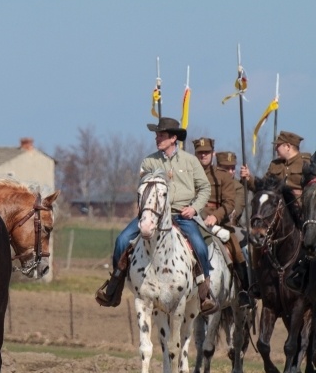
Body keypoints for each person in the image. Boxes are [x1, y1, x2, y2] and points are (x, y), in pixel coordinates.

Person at [95, 117, 217, 315]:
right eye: (157, 135)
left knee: (200, 246)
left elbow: (204, 188)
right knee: (122, 240)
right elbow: (143, 188)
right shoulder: (149, 161)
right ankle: (114, 285)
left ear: (173, 138)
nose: (157, 138)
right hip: (153, 214)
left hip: (182, 214)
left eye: (161, 135)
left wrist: (194, 208)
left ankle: (205, 294)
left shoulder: (190, 161)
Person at [239, 131, 311, 292]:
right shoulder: (274, 165)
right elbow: (263, 187)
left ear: (288, 146)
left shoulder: (306, 162)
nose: (276, 149)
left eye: (278, 146)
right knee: (257, 241)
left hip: (301, 212)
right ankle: (258, 282)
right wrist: (248, 178)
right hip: (279, 216)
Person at [192, 138, 251, 307]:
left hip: (216, 223)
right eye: (200, 153)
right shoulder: (188, 173)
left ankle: (243, 290)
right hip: (193, 219)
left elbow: (230, 203)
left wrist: (215, 216)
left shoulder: (222, 176)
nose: (203, 155)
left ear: (213, 154)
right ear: (195, 154)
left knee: (235, 245)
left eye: (207, 152)